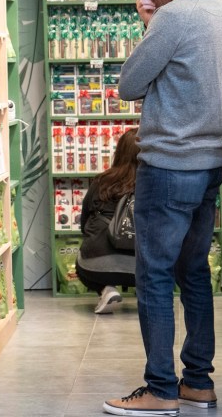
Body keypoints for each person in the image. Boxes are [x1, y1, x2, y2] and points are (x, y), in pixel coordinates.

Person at [102, 0, 222, 417]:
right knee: (193, 271)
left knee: (154, 276)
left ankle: (160, 389)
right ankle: (197, 383)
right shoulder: (221, 11)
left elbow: (128, 84)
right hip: (209, 163)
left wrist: (149, 24)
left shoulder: (173, 18)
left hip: (168, 166)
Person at [76, 128, 139, 314]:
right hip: (144, 267)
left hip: (96, 265)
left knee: (81, 263)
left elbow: (84, 222)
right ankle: (147, 293)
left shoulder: (101, 181)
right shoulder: (151, 183)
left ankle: (106, 289)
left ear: (119, 152)